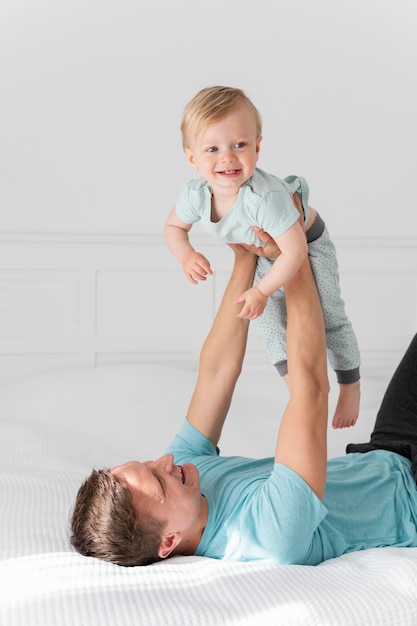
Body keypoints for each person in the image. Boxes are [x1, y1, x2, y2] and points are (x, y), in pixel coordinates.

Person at [71, 232, 417, 568]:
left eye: (146, 464)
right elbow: (309, 388)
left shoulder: (189, 478)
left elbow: (216, 374)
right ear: (168, 542)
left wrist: (244, 257)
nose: (164, 461)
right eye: (159, 482)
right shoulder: (266, 535)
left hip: (389, 450)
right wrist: (292, 255)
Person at [164, 85, 360, 429]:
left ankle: (349, 382)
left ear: (257, 145)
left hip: (306, 243)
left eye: (239, 145)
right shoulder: (195, 195)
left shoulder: (263, 199)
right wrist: (186, 254)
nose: (227, 157)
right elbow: (173, 228)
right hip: (267, 251)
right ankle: (295, 386)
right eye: (212, 149)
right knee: (268, 324)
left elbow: (295, 252)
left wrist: (262, 290)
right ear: (192, 158)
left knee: (329, 315)